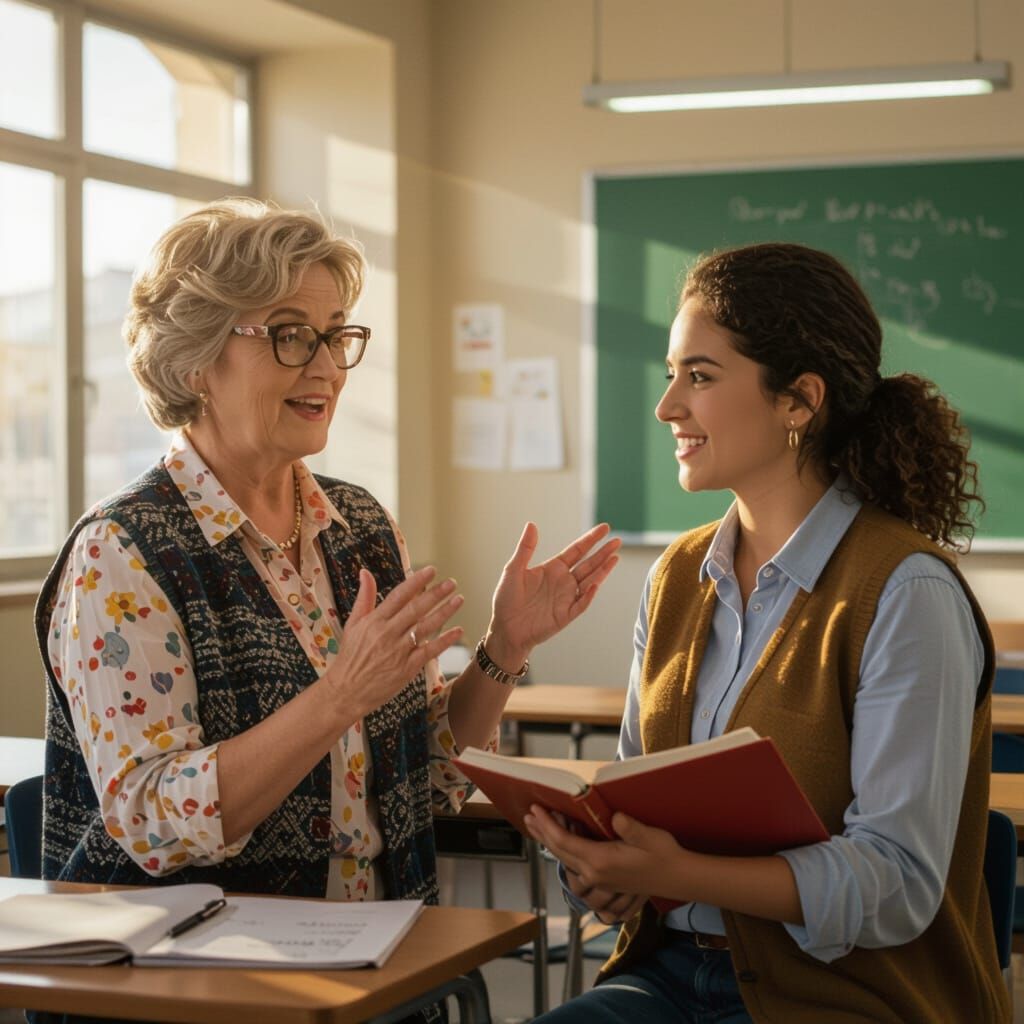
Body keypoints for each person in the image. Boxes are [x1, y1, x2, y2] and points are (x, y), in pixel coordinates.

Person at [35, 199, 619, 915]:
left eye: (336, 336)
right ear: (193, 362)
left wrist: (504, 650)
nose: (327, 368)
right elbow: (154, 823)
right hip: (205, 961)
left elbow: (428, 778)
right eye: (290, 336)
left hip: (389, 939)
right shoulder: (123, 550)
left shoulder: (362, 525)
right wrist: (338, 697)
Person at [525, 242, 1008, 1023]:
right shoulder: (676, 577)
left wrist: (676, 872)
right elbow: (629, 801)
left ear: (799, 401)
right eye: (671, 373)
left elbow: (898, 885)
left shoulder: (905, 591)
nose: (667, 406)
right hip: (668, 974)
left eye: (700, 376)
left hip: (848, 998)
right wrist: (601, 870)